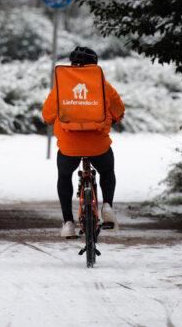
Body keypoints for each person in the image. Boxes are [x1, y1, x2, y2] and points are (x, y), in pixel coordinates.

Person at [41, 46, 125, 238]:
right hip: (98, 145)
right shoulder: (104, 85)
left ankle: (68, 222)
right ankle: (107, 206)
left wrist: (50, 120)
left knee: (64, 176)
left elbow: (47, 114)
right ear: (94, 64)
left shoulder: (62, 87)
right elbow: (119, 110)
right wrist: (113, 118)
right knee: (106, 170)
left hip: (69, 146)